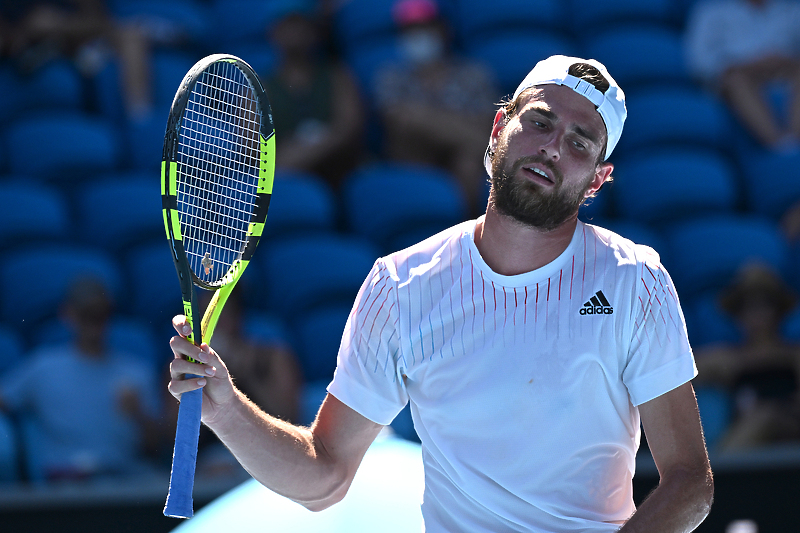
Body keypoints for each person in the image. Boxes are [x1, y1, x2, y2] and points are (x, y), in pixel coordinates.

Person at [168, 55, 714, 531]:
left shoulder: (636, 280)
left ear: (597, 179)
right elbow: (324, 475)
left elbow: (690, 481)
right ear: (500, 127)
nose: (551, 147)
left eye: (578, 142)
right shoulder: (401, 285)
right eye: (540, 122)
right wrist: (226, 410)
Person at [0, 276, 165, 482]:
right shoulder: (42, 367)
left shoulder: (137, 372)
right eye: (87, 313)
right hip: (66, 485)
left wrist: (137, 414)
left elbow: (156, 447)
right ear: (68, 314)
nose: (95, 321)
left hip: (127, 480)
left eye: (101, 314)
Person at [373, 0, 499, 215]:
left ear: (442, 29)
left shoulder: (472, 74)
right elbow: (399, 121)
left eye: (425, 27)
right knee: (471, 145)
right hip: (414, 157)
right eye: (410, 30)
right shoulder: (391, 77)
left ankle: (463, 226)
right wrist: (457, 126)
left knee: (468, 160)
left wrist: (424, 118)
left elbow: (487, 123)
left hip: (465, 157)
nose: (418, 35)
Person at [694, 262, 800, 451]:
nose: (757, 315)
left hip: (789, 426)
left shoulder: (792, 355)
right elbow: (681, 372)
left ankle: (720, 472)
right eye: (748, 307)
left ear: (777, 312)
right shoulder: (729, 358)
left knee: (767, 416)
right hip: (744, 431)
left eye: (764, 306)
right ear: (738, 315)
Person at [263, 0, 365, 189]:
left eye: (301, 24)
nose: (295, 32)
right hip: (284, 187)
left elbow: (348, 128)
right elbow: (252, 151)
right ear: (274, 31)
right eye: (288, 24)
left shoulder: (337, 77)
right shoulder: (259, 89)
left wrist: (301, 155)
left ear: (314, 31)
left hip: (337, 175)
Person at [685, 0, 800, 151]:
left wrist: (783, 59)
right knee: (736, 80)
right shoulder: (711, 11)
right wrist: (746, 64)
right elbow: (700, 63)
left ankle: (795, 138)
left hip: (784, 70)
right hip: (739, 73)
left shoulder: (791, 9)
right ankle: (779, 145)